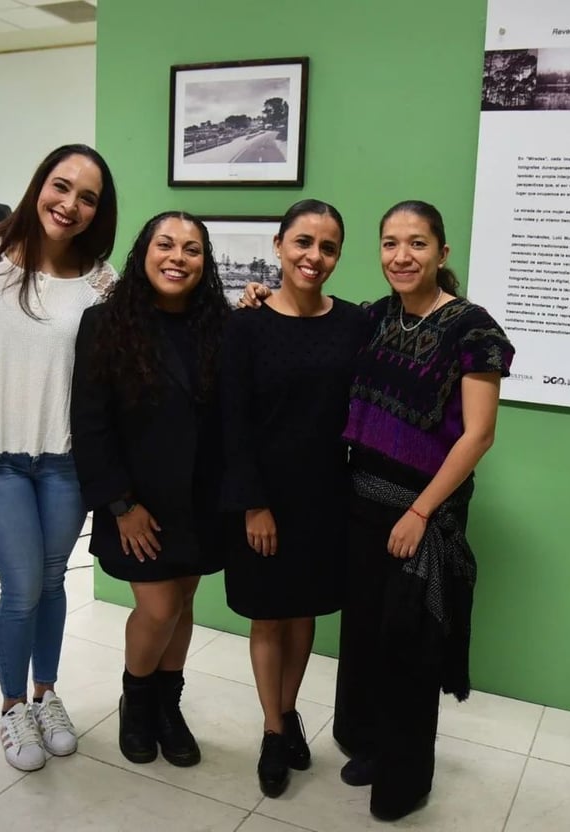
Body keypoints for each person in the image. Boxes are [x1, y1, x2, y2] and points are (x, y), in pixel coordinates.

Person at [332, 200, 515, 821]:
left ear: (443, 253)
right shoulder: (376, 316)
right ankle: (371, 745)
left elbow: (478, 435)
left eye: (416, 243)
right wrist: (254, 297)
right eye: (389, 243)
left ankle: (405, 780)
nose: (401, 256)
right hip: (361, 502)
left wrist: (420, 511)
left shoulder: (474, 329)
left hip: (422, 514)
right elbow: (310, 325)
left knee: (406, 645)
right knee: (363, 637)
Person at [0, 144, 118, 772]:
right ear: (38, 185)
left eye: (88, 197)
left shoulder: (102, 281)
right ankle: (10, 708)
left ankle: (46, 694)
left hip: (66, 463)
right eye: (61, 186)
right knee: (21, 587)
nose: (70, 204)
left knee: (51, 584)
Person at [219, 200, 369, 797]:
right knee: (268, 615)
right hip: (264, 497)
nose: (314, 257)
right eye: (303, 242)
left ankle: (289, 713)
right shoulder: (245, 325)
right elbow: (232, 423)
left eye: (328, 247)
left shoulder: (357, 322)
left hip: (326, 495)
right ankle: (272, 730)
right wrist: (253, 504)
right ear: (279, 245)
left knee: (304, 611)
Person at [70, 211, 229, 768]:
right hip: (138, 503)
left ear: (205, 264)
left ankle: (168, 706)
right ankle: (136, 703)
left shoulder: (219, 324)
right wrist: (120, 505)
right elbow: (89, 424)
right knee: (158, 606)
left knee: (183, 599)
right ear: (144, 252)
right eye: (166, 245)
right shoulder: (106, 323)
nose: (177, 258)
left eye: (192, 250)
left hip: (201, 500)